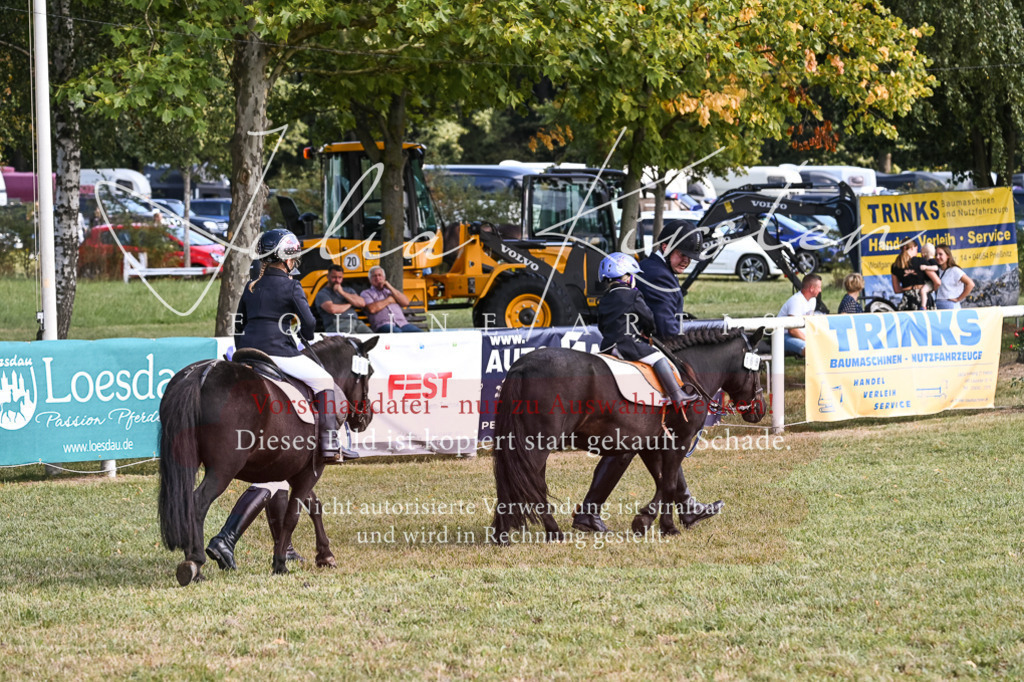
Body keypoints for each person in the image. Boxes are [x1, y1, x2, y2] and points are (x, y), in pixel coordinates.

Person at [207, 229, 359, 572]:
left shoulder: (250, 285)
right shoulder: (291, 285)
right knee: (323, 381)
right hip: (279, 355)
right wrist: (297, 329)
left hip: (246, 354)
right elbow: (308, 326)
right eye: (293, 257)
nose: (294, 262)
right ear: (286, 257)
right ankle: (329, 441)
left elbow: (237, 326)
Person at [572, 251, 719, 534]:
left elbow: (604, 325)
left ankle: (685, 503)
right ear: (627, 276)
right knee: (658, 359)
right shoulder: (632, 295)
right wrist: (647, 325)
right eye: (631, 276)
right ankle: (677, 395)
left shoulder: (605, 299)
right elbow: (649, 321)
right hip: (631, 346)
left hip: (609, 348)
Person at [636, 220, 704, 337]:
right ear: (665, 248)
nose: (686, 261)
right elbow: (666, 328)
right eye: (683, 254)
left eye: (690, 257)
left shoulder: (649, 265)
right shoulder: (659, 276)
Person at [360, 265, 422, 333]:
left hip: (402, 324)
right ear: (370, 280)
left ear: (384, 277)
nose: (377, 278)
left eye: (380, 275)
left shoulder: (391, 291)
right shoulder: (366, 293)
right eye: (374, 276)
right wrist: (389, 300)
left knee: (419, 333)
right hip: (383, 325)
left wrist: (390, 287)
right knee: (397, 333)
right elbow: (372, 309)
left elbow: (406, 303)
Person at [314, 264, 371, 333]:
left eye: (340, 277)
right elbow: (332, 309)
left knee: (372, 336)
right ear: (328, 277)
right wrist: (351, 303)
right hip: (337, 324)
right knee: (354, 339)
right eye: (334, 277)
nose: (337, 280)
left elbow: (362, 303)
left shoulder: (348, 290)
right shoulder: (322, 294)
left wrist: (342, 292)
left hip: (357, 322)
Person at [777, 274, 822, 357]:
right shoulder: (796, 301)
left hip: (801, 334)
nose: (820, 290)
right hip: (783, 336)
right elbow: (792, 330)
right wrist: (810, 340)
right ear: (811, 288)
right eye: (819, 287)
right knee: (811, 348)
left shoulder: (813, 300)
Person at [890, 240, 933, 311]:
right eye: (916, 249)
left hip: (907, 299)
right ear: (912, 247)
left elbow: (896, 290)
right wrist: (928, 288)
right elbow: (937, 281)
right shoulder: (921, 261)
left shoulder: (895, 265)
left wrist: (909, 288)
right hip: (923, 299)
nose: (917, 252)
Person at [934, 244, 975, 309]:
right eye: (936, 254)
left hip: (950, 305)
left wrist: (958, 299)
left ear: (948, 255)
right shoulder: (937, 270)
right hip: (938, 304)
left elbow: (970, 284)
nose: (937, 257)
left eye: (940, 254)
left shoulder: (954, 270)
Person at [917, 242, 941, 310]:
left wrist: (926, 267)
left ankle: (923, 306)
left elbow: (936, 268)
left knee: (923, 291)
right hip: (928, 281)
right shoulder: (928, 261)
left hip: (930, 282)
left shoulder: (931, 261)